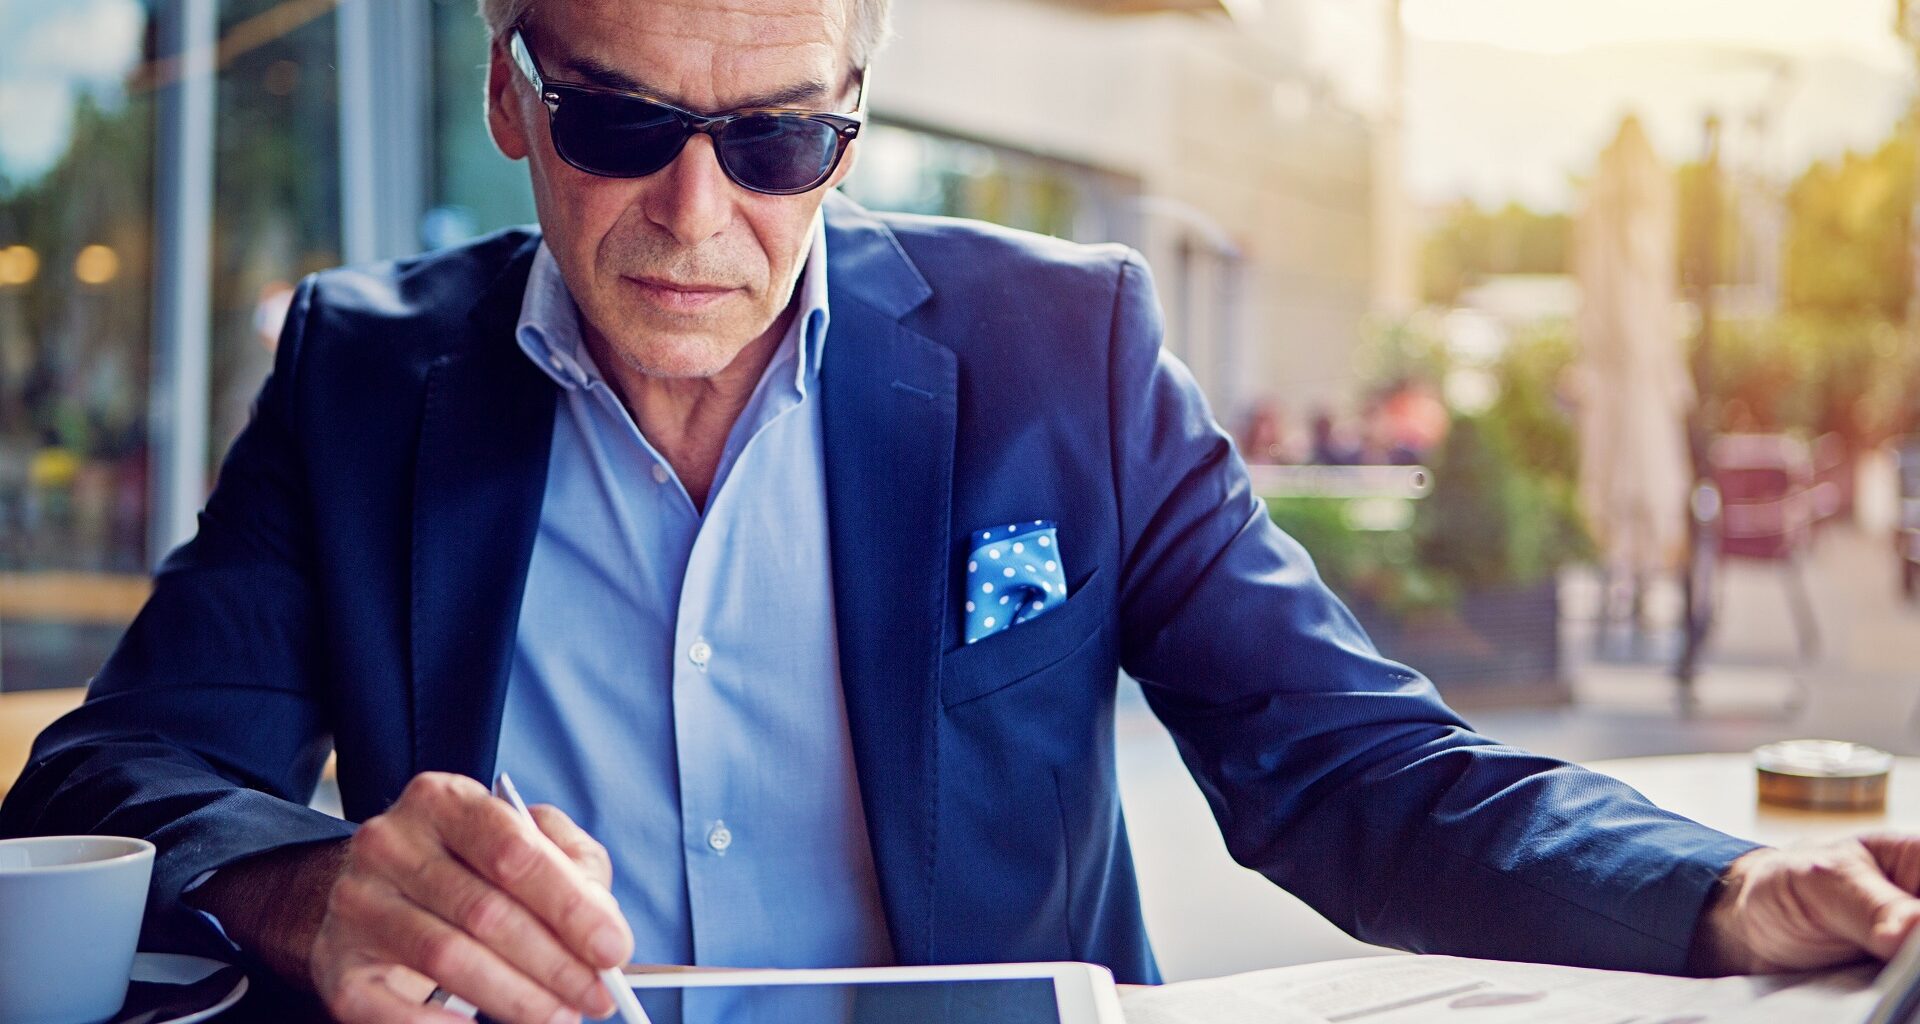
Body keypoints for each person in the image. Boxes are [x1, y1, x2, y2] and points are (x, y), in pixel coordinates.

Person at [6, 1, 1920, 1022]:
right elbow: (113, 780)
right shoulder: (365, 376)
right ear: (514, 89)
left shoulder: (1058, 352)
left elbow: (1344, 761)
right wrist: (313, 886)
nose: (696, 216)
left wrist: (1716, 888)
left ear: (854, 107)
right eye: (620, 124)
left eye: (775, 143)